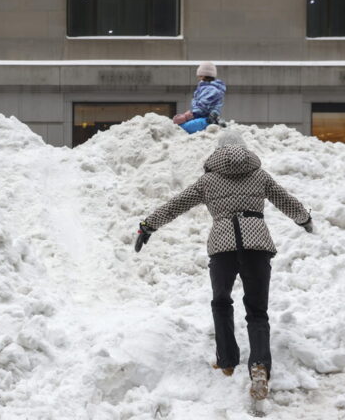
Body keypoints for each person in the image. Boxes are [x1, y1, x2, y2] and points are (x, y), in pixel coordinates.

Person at [134, 130, 313, 400]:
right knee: (257, 310)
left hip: (222, 247)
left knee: (221, 302)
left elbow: (176, 205)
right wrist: (305, 220)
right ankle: (260, 366)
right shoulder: (259, 175)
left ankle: (227, 360)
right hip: (257, 246)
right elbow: (285, 200)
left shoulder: (208, 181)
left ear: (217, 153)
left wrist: (148, 226)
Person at [173, 61, 226, 134]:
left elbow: (202, 106)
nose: (198, 77)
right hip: (201, 116)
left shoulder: (211, 89)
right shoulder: (204, 87)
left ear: (204, 75)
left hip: (206, 119)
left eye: (200, 75)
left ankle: (214, 123)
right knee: (180, 125)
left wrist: (189, 115)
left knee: (183, 128)